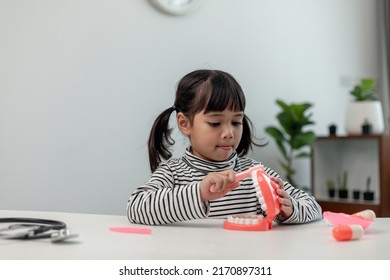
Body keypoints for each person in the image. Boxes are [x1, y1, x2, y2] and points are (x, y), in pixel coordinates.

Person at [127, 69, 322, 225]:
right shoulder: (173, 173)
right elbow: (135, 208)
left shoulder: (255, 174)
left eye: (236, 122)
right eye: (215, 123)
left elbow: (314, 206)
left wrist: (290, 209)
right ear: (184, 123)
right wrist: (199, 193)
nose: (229, 132)